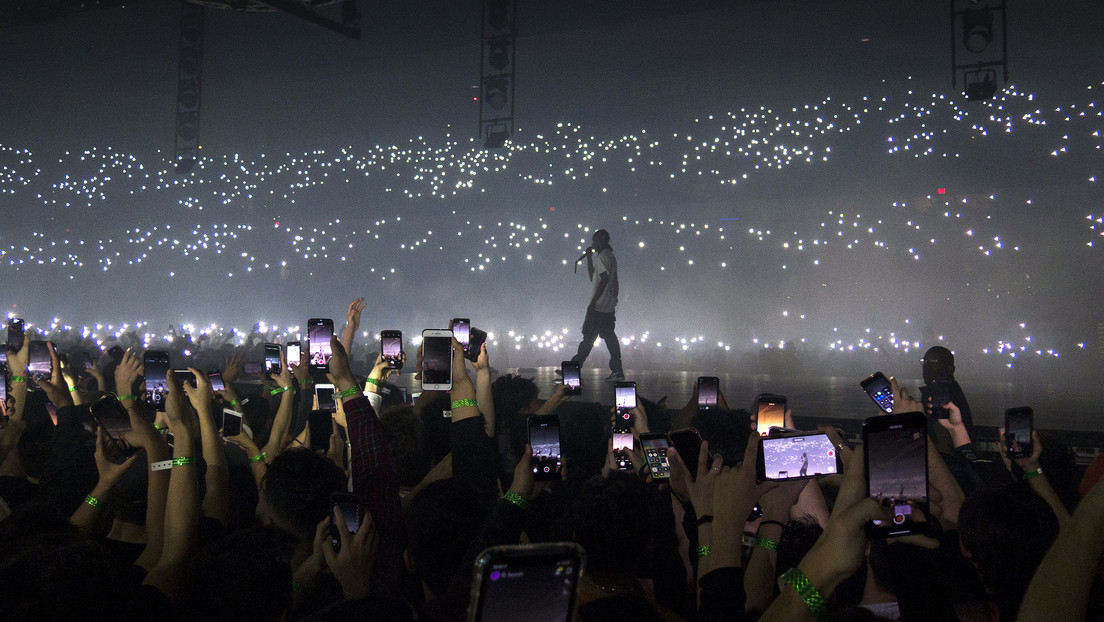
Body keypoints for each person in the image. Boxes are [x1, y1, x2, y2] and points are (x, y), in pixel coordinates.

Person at [568, 229, 624, 381]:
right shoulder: (610, 257)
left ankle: (573, 370)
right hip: (608, 306)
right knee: (609, 337)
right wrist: (589, 258)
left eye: (596, 241)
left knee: (588, 338)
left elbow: (604, 279)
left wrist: (593, 302)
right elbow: (595, 278)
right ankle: (617, 370)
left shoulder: (603, 257)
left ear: (603, 241)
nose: (594, 244)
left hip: (599, 306)